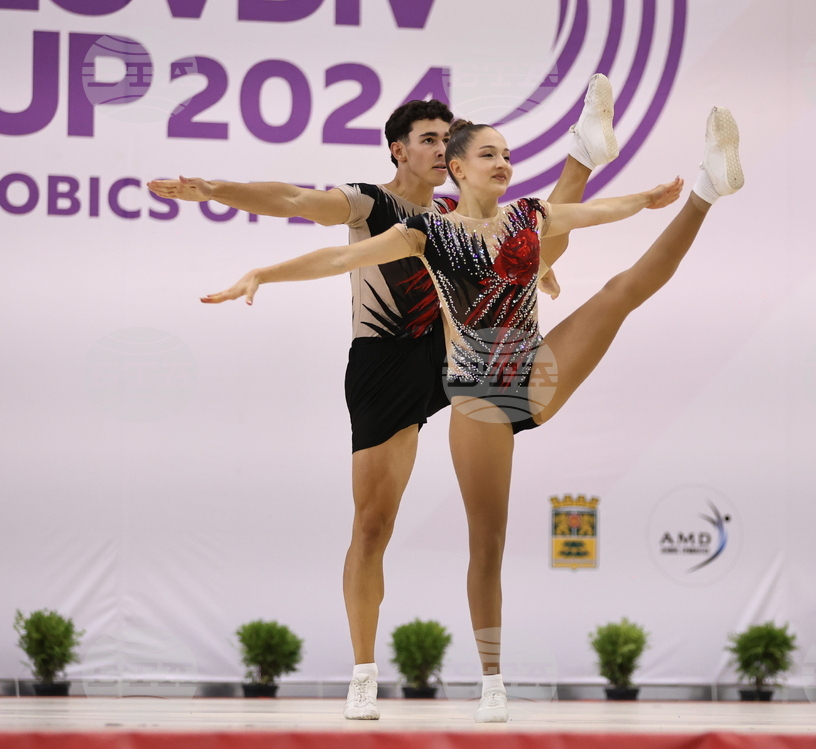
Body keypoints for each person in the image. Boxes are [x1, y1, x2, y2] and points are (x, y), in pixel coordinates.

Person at [202, 106, 743, 722]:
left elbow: (593, 213)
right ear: (455, 168)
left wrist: (649, 199)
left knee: (622, 293)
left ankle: (708, 189)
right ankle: (489, 683)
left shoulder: (530, 216)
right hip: (479, 388)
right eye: (489, 154)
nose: (504, 163)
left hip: (529, 370)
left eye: (508, 155)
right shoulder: (425, 230)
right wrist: (262, 274)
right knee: (486, 542)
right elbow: (337, 260)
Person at [148, 77, 620, 720]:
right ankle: (364, 671)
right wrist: (213, 190)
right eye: (426, 140)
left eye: (446, 140)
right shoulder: (371, 204)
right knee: (373, 524)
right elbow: (291, 197)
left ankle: (584, 154)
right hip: (387, 362)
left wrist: (534, 264)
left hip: (457, 351)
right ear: (398, 151)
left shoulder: (465, 214)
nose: (438, 148)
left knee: (542, 243)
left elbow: (519, 246)